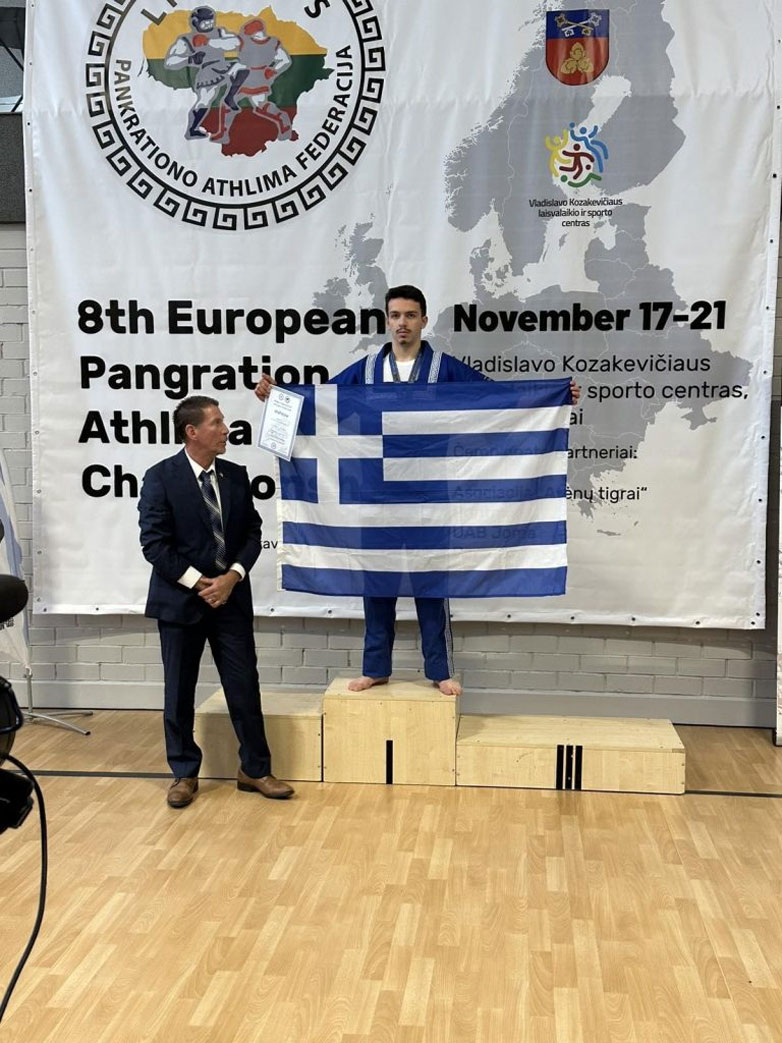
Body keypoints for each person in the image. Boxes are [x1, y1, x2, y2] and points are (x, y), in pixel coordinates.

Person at [255, 285, 580, 697]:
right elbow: (322, 405)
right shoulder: (366, 370)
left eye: (410, 315)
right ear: (386, 320)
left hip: (432, 500)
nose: (402, 323)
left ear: (424, 320)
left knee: (432, 590)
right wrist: (279, 399)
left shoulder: (445, 368)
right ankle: (375, 668)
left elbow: (498, 401)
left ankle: (440, 669)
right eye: (395, 315)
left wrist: (554, 400)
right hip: (375, 498)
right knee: (376, 587)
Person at [138, 395, 293, 807]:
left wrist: (231, 577)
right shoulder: (160, 477)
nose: (226, 430)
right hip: (180, 603)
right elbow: (154, 544)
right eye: (217, 423)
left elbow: (252, 534)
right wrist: (200, 582)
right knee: (179, 692)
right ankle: (184, 773)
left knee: (244, 687)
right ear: (192, 432)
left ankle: (255, 769)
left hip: (231, 601)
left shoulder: (235, 475)